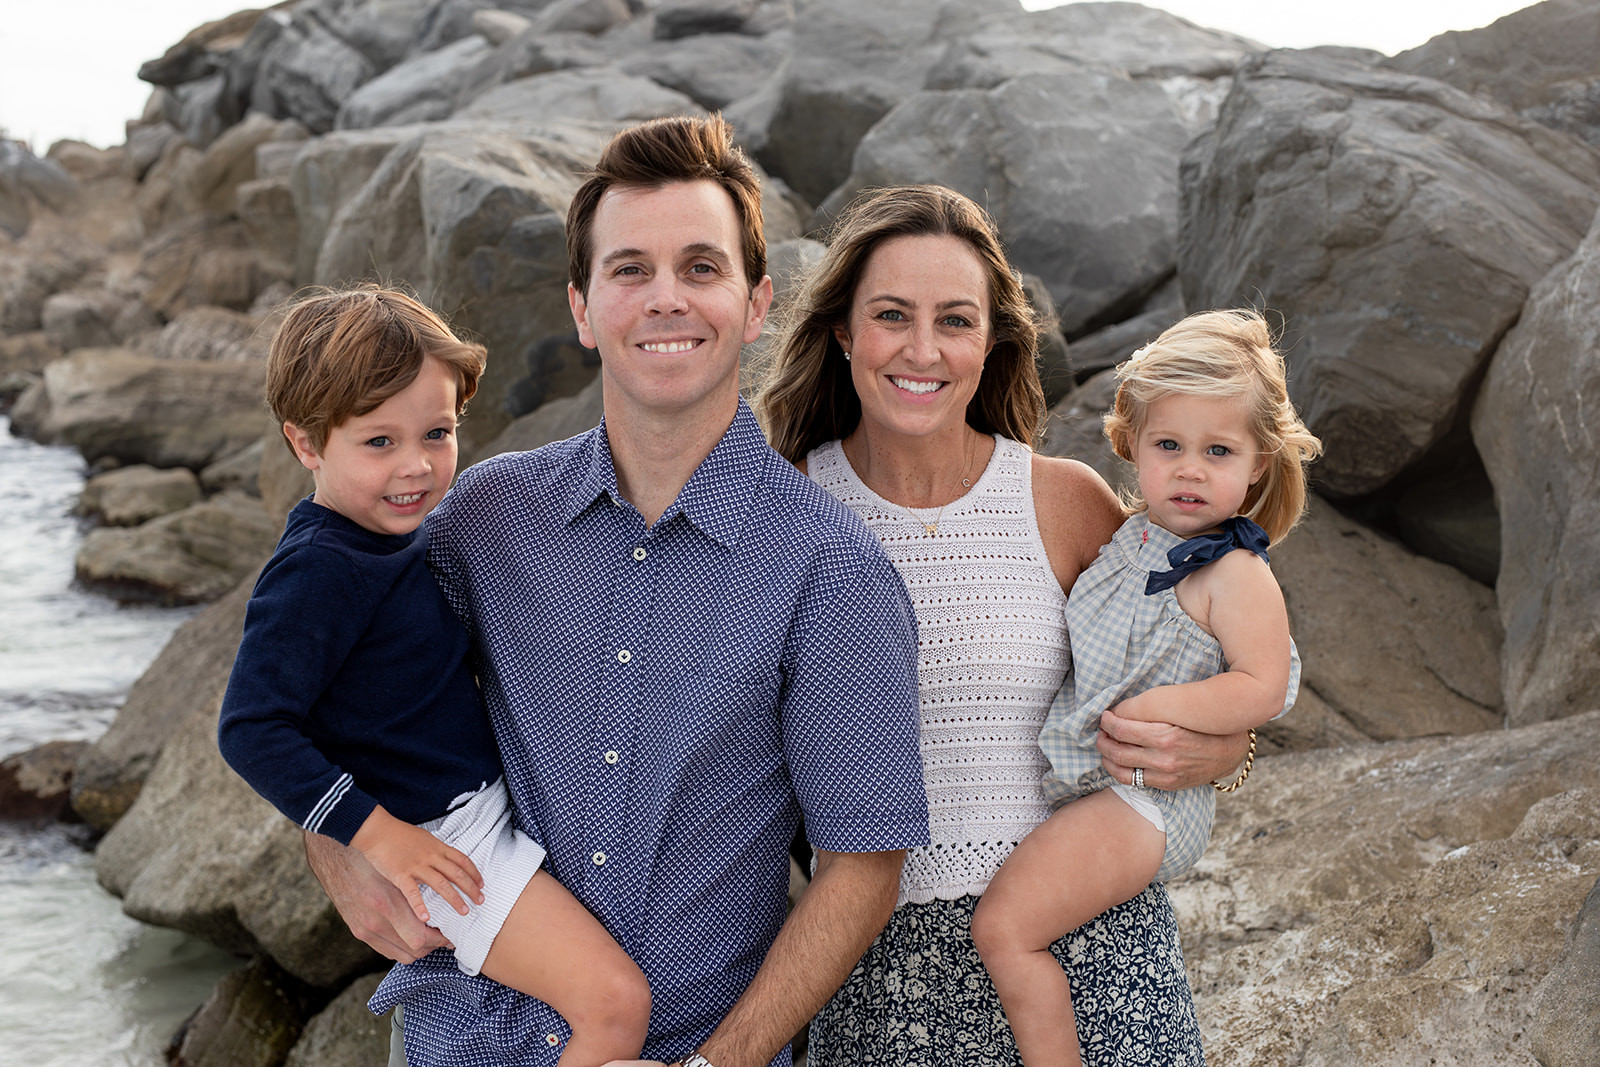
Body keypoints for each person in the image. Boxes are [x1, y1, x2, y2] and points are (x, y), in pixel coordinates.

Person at [303, 116, 931, 1067]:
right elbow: (316, 673)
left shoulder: (831, 568)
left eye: (701, 267)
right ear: (583, 309)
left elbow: (864, 862)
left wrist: (721, 1065)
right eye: (630, 269)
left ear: (757, 303)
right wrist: (337, 850)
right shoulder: (483, 516)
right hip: (462, 1037)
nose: (666, 298)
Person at [755, 185, 1257, 1065]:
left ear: (990, 342)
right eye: (890, 315)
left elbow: (1193, 670)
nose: (923, 349)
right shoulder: (781, 508)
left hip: (1090, 957)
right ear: (842, 331)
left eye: (955, 319)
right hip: (877, 978)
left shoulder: (1064, 503)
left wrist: (1227, 751)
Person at [217, 285, 652, 1066]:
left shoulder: (394, 534)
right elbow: (251, 726)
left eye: (438, 432)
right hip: (449, 846)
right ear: (306, 443)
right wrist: (378, 838)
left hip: (480, 814)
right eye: (378, 442)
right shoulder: (318, 569)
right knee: (616, 1006)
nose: (416, 466)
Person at [970, 309, 1323, 1065]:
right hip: (1107, 788)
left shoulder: (1235, 574)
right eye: (1170, 445)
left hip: (1147, 800)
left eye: (1218, 450)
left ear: (1259, 461)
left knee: (1004, 927)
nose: (1190, 468)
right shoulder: (1128, 536)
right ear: (1131, 439)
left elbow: (1264, 686)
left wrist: (1165, 711)